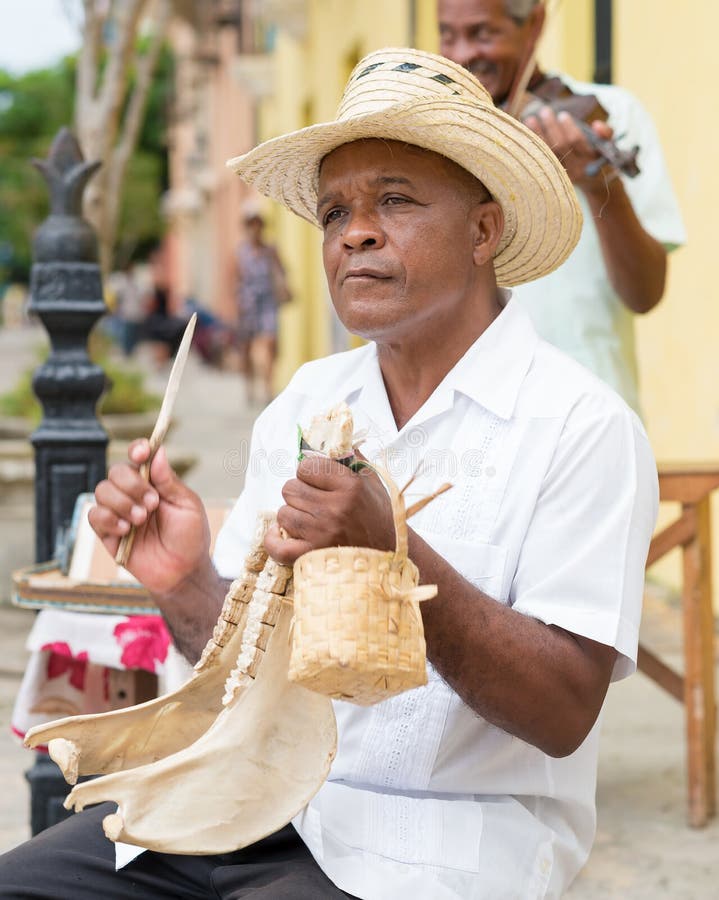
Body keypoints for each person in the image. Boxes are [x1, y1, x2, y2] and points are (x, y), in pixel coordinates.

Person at [0, 48, 658, 899]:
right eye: (334, 211)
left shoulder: (581, 426)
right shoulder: (311, 400)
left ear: (483, 230)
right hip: (251, 803)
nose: (355, 232)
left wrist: (394, 551)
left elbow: (563, 713)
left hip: (442, 837)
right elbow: (241, 669)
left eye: (394, 200)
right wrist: (182, 579)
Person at [438, 0, 686, 414]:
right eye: (447, 34)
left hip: (590, 411)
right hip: (466, 412)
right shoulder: (439, 134)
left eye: (482, 33)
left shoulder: (613, 113)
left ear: (534, 24)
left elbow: (645, 293)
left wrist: (599, 183)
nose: (462, 55)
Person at [234, 210, 291, 405]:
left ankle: (268, 388)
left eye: (258, 225)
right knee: (247, 347)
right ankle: (249, 386)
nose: (254, 230)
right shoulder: (240, 252)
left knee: (270, 342)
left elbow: (282, 271)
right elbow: (234, 279)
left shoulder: (270, 250)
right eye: (251, 226)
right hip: (247, 304)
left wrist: (284, 288)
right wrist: (237, 305)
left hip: (268, 301)